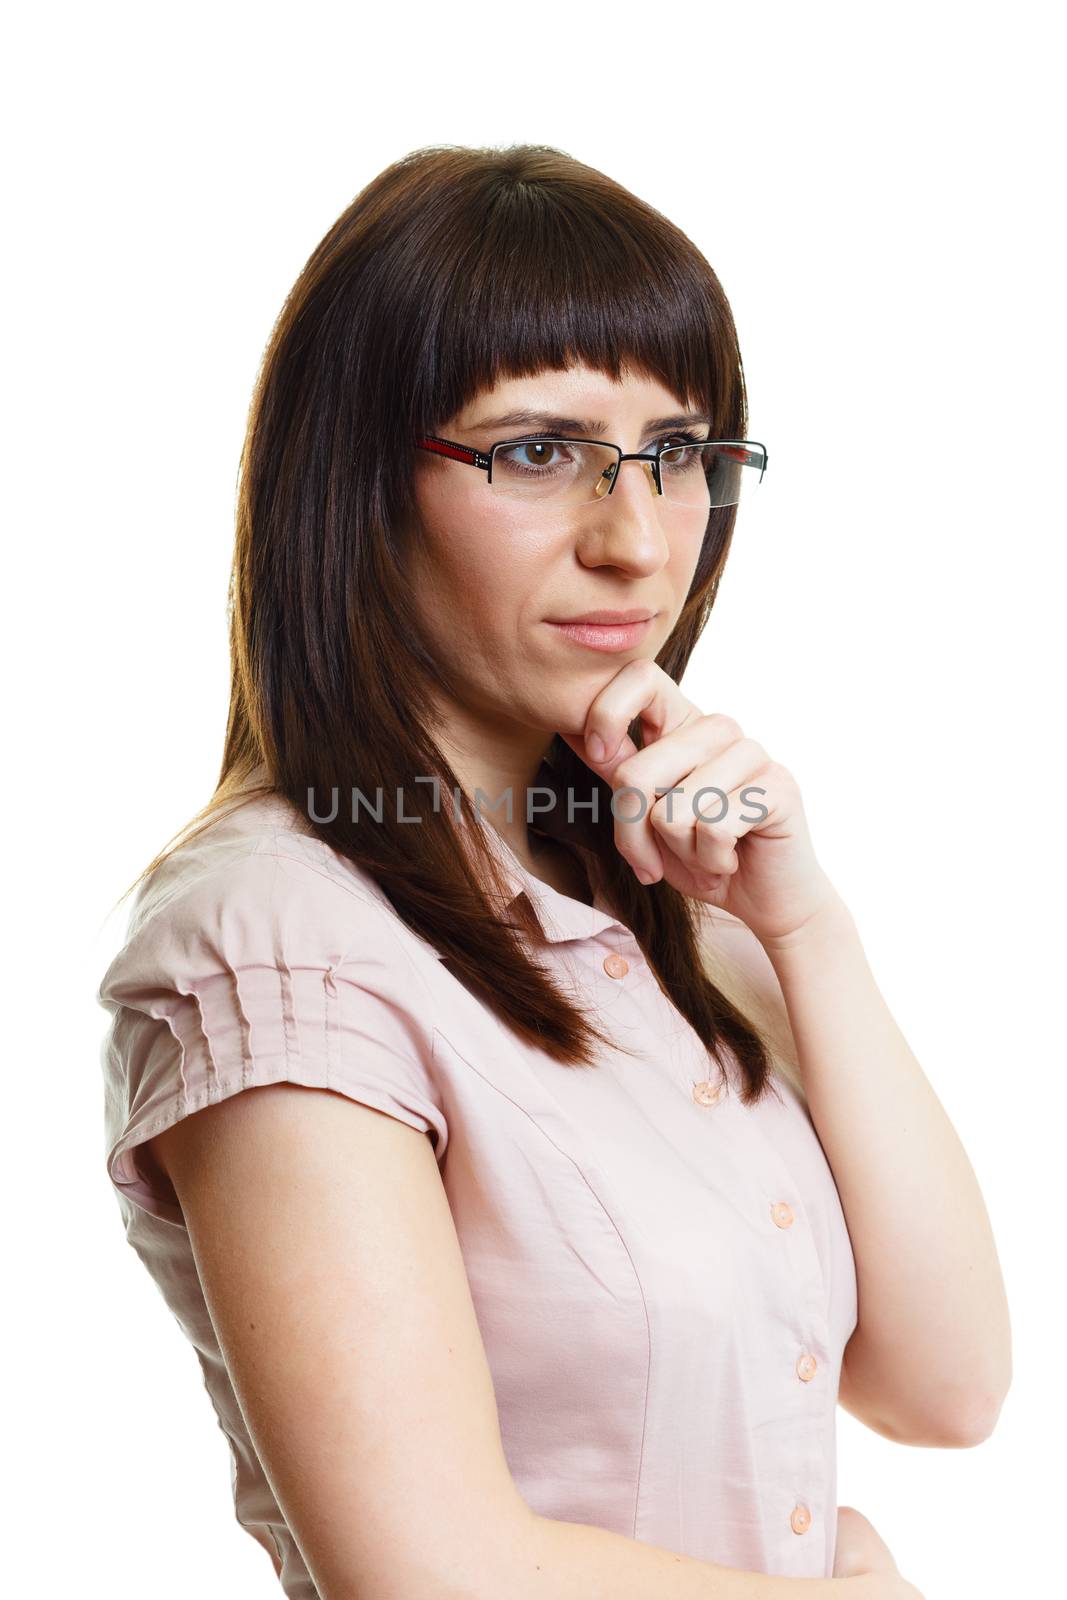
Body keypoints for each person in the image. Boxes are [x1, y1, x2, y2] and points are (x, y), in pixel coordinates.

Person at [97, 143, 1008, 1599]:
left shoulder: (659, 902)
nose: (637, 541)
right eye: (537, 452)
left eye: (681, 453)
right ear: (354, 485)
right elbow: (428, 1571)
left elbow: (946, 1388)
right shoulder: (277, 938)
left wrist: (807, 926)